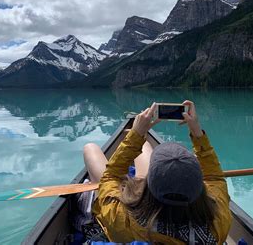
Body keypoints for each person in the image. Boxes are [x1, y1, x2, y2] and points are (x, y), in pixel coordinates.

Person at [83, 101, 232, 244]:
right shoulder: (217, 224)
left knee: (90, 149)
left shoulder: (122, 219)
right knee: (146, 146)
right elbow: (215, 177)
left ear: (148, 185)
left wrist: (137, 133)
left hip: (133, 219)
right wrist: (197, 131)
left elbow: (110, 176)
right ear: (199, 186)